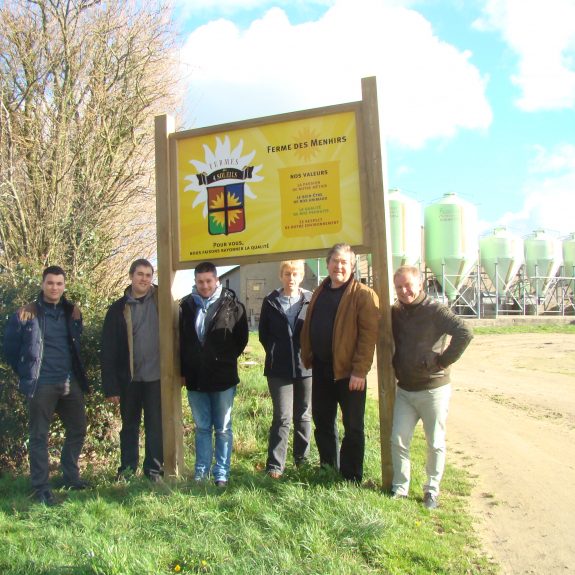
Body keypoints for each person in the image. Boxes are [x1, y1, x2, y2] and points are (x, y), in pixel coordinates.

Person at [3, 265, 90, 505]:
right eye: (50, 283)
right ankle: (40, 487)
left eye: (59, 284)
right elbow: (9, 350)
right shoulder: (26, 314)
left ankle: (70, 477)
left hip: (69, 382)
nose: (55, 287)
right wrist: (26, 373)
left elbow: (76, 343)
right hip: (41, 385)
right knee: (39, 436)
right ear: (43, 284)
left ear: (64, 286)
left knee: (78, 428)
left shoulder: (72, 312)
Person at [391, 265, 473, 509]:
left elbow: (464, 333)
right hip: (405, 390)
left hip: (433, 390)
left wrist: (443, 360)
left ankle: (431, 491)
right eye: (399, 287)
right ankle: (400, 488)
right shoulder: (396, 312)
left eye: (408, 285)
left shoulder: (435, 310)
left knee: (434, 441)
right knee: (398, 440)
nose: (404, 291)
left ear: (420, 285)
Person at [300, 244, 380, 483]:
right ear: (327, 264)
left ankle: (350, 476)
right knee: (323, 422)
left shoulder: (363, 295)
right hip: (322, 369)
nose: (339, 266)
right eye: (335, 261)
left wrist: (359, 371)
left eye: (344, 262)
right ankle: (328, 468)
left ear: (352, 266)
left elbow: (368, 337)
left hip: (349, 374)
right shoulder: (319, 292)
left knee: (353, 427)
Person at [179, 261, 248, 487]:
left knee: (223, 428)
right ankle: (201, 472)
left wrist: (222, 360)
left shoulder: (233, 306)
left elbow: (241, 340)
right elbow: (181, 341)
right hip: (195, 379)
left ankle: (221, 473)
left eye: (209, 281)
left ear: (216, 280)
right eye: (200, 281)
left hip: (223, 379)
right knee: (201, 427)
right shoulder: (185, 306)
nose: (205, 285)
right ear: (195, 282)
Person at [101, 259, 163, 481]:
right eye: (140, 274)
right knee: (130, 426)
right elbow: (107, 350)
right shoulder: (118, 309)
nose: (144, 279)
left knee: (155, 426)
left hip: (156, 377)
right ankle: (127, 469)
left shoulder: (162, 301)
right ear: (130, 276)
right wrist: (111, 387)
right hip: (129, 379)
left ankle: (154, 470)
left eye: (148, 275)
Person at [259, 260, 312, 479]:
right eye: (288, 273)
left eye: (296, 274)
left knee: (304, 416)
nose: (291, 278)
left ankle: (302, 462)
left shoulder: (310, 299)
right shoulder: (270, 301)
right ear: (281, 276)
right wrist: (274, 352)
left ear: (301, 276)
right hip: (278, 370)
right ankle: (275, 466)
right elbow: (263, 334)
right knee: (282, 417)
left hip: (306, 368)